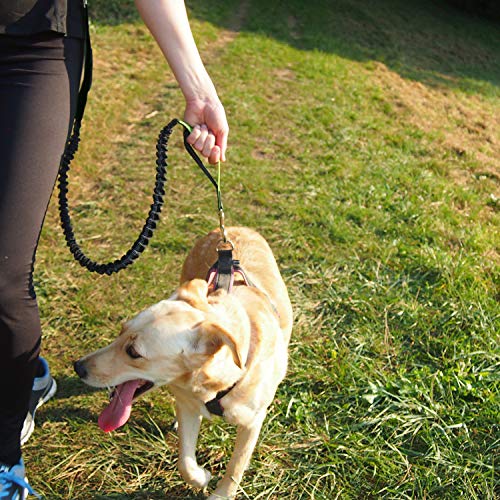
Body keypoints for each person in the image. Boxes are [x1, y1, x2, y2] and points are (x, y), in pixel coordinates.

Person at [0, 1, 229, 498]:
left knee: (1, 271)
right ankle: (20, 375)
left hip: (30, 42)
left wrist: (197, 85)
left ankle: (2, 457)